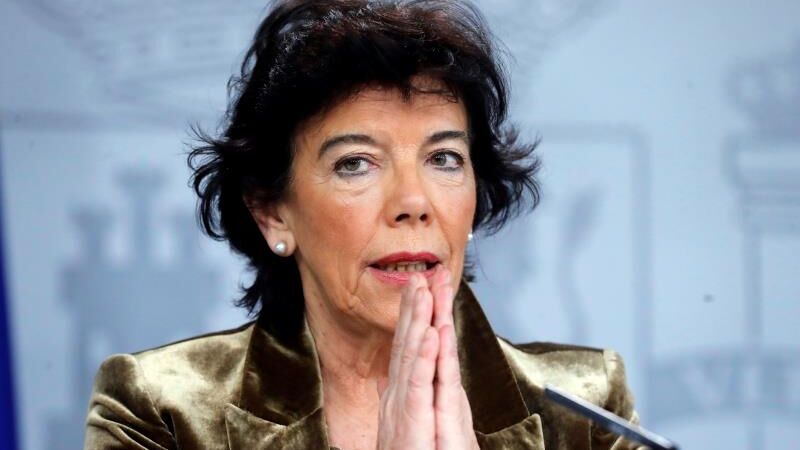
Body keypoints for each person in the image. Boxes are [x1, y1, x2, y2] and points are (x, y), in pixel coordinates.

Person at [84, 0, 643, 449]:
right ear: (272, 212)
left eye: (444, 158)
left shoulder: (588, 413)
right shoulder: (159, 413)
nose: (413, 202)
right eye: (355, 163)